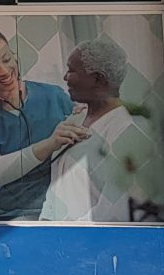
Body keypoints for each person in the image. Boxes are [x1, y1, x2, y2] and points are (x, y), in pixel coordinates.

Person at [0, 20, 86, 221]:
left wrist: (86, 116)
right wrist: (51, 143)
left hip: (46, 214)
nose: (5, 71)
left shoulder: (55, 97)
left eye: (7, 59)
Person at [40, 37, 147, 222]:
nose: (65, 77)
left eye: (71, 70)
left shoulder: (125, 129)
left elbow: (113, 211)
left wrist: (72, 231)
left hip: (85, 236)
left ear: (97, 78)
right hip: (57, 232)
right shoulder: (75, 120)